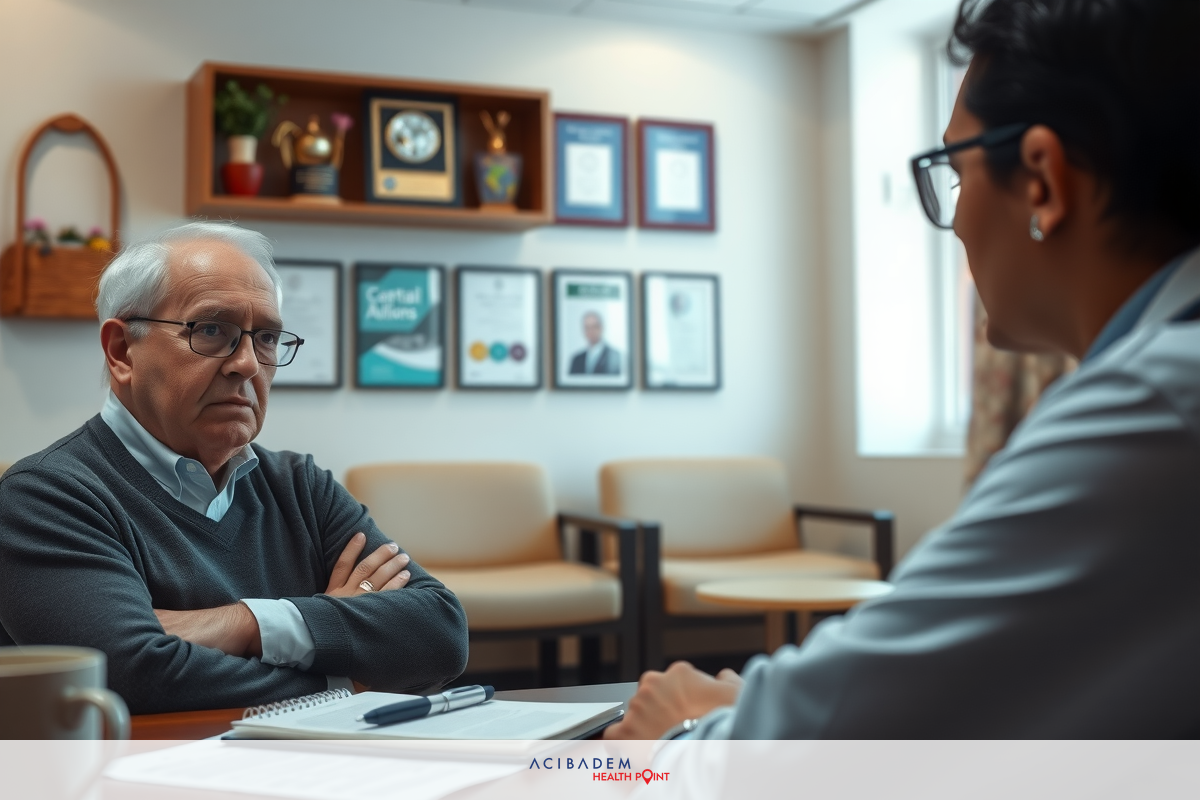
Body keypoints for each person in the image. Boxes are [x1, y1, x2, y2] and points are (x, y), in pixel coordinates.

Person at [607, 0, 1200, 739]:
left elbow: (804, 759)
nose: (953, 221)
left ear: (1042, 180)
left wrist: (678, 732)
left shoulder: (1147, 409)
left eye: (955, 169)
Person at [0, 222, 469, 714]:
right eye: (210, 330)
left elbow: (440, 633)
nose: (246, 363)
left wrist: (244, 623)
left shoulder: (301, 486)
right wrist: (345, 670)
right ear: (122, 351)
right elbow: (132, 676)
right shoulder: (44, 497)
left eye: (265, 338)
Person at [568, 311, 621, 375]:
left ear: (601, 328)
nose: (591, 331)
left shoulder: (615, 357)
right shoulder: (577, 359)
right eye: (587, 327)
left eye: (594, 327)